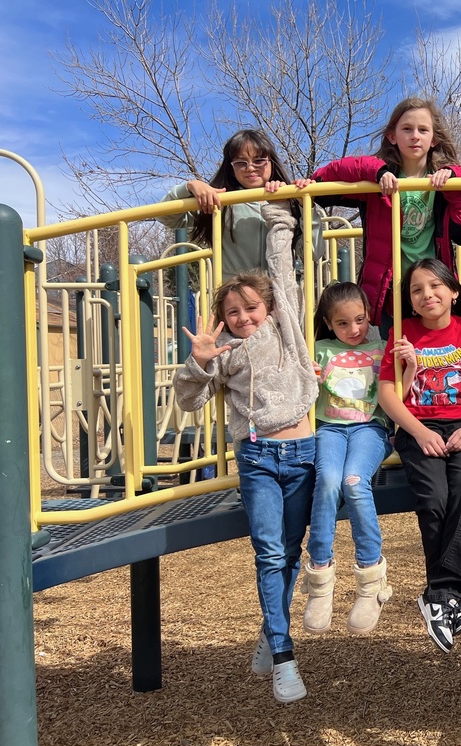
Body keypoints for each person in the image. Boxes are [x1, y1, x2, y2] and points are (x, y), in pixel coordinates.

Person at [172, 182, 318, 704]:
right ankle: (284, 656)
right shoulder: (227, 354)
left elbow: (280, 274)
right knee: (269, 551)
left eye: (252, 308)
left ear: (270, 308)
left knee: (292, 552)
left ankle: (268, 630)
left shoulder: (286, 332)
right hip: (256, 457)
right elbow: (189, 400)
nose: (244, 317)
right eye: (234, 312)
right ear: (223, 319)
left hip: (303, 454)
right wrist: (202, 360)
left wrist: (280, 217)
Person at [377, 258, 461, 653]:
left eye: (435, 286)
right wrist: (419, 430)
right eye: (417, 290)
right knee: (433, 499)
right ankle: (449, 598)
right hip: (419, 429)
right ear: (410, 302)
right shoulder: (403, 333)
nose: (427, 294)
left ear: (454, 292)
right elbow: (387, 394)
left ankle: (441, 595)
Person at [296, 97, 461, 327]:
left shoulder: (442, 182)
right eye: (407, 129)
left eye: (423, 130)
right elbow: (330, 174)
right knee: (390, 354)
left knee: (430, 352)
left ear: (434, 139)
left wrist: (455, 181)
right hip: (388, 289)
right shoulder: (376, 184)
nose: (415, 135)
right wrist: (378, 171)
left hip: (430, 288)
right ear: (392, 136)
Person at [303, 282, 393, 637]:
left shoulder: (381, 347)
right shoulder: (319, 350)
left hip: (369, 429)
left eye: (359, 319)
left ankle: (371, 579)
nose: (354, 329)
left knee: (353, 483)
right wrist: (308, 378)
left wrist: (408, 364)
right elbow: (305, 392)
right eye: (343, 323)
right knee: (326, 483)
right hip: (330, 429)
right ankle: (320, 578)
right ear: (328, 323)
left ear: (369, 314)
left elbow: (398, 387)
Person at [159, 129, 311, 277]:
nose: (250, 168)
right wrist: (189, 187)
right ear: (231, 168)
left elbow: (312, 252)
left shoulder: (289, 201)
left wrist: (305, 205)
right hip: (235, 296)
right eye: (240, 163)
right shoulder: (221, 203)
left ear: (271, 162)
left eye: (259, 161)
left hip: (279, 295)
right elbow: (166, 217)